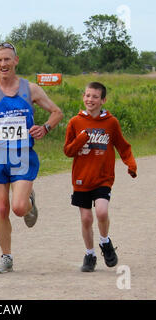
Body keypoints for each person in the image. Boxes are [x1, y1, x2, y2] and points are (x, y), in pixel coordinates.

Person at [0, 42, 63, 273]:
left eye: (7, 59)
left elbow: (57, 112)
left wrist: (45, 128)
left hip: (22, 155)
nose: (3, 64)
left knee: (18, 208)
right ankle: (6, 256)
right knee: (1, 208)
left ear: (16, 61)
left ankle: (29, 203)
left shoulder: (31, 89)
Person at [64, 81, 137, 272]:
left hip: (103, 178)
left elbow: (123, 146)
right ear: (83, 97)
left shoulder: (111, 123)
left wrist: (131, 164)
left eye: (95, 96)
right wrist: (81, 138)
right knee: (86, 219)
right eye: (87, 95)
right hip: (81, 179)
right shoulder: (75, 122)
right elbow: (68, 151)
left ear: (103, 100)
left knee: (102, 212)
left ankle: (105, 242)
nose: (90, 99)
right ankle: (90, 254)